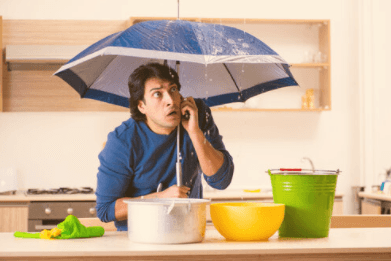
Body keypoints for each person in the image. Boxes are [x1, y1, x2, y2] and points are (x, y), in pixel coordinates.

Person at [95, 63, 234, 231]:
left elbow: (221, 181)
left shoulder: (197, 114)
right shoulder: (122, 141)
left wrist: (195, 132)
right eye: (157, 94)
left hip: (190, 232)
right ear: (142, 106)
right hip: (141, 239)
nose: (170, 100)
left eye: (173, 90)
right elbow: (105, 210)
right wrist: (159, 198)